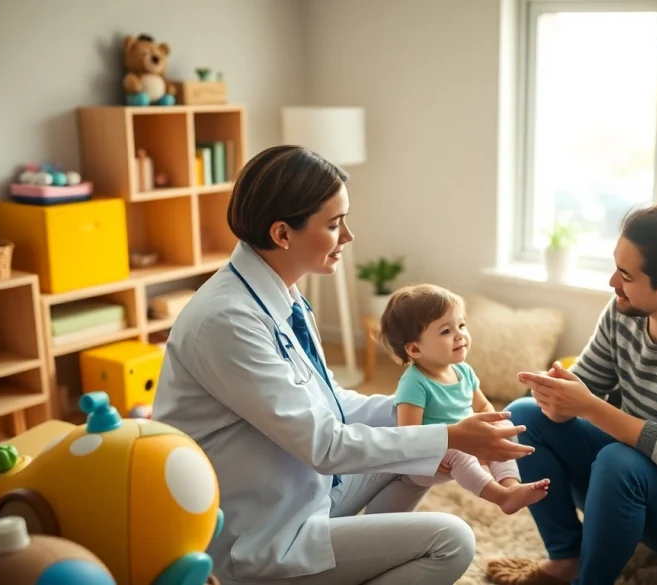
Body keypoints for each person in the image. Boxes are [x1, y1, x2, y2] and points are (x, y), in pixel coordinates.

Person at [152, 145, 535, 585]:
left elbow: (330, 402)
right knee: (451, 539)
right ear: (282, 234)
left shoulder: (282, 295)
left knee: (429, 457)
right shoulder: (227, 322)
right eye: (335, 224)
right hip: (262, 533)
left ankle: (360, 554)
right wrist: (446, 433)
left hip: (306, 494)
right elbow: (324, 446)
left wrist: (426, 411)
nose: (348, 236)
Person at [485, 195, 657, 585]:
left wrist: (589, 407)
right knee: (524, 415)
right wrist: (557, 399)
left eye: (626, 276)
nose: (613, 282)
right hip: (632, 475)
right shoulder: (623, 311)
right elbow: (585, 385)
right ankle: (567, 556)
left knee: (620, 461)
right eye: (616, 267)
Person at [378, 283, 551, 514]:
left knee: (504, 425)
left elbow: (482, 406)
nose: (460, 335)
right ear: (415, 349)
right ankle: (501, 497)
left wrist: (493, 428)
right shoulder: (413, 383)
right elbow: (408, 433)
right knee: (457, 451)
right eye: (446, 331)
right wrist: (428, 453)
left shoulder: (463, 371)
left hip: (465, 443)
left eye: (461, 325)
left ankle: (510, 485)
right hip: (425, 459)